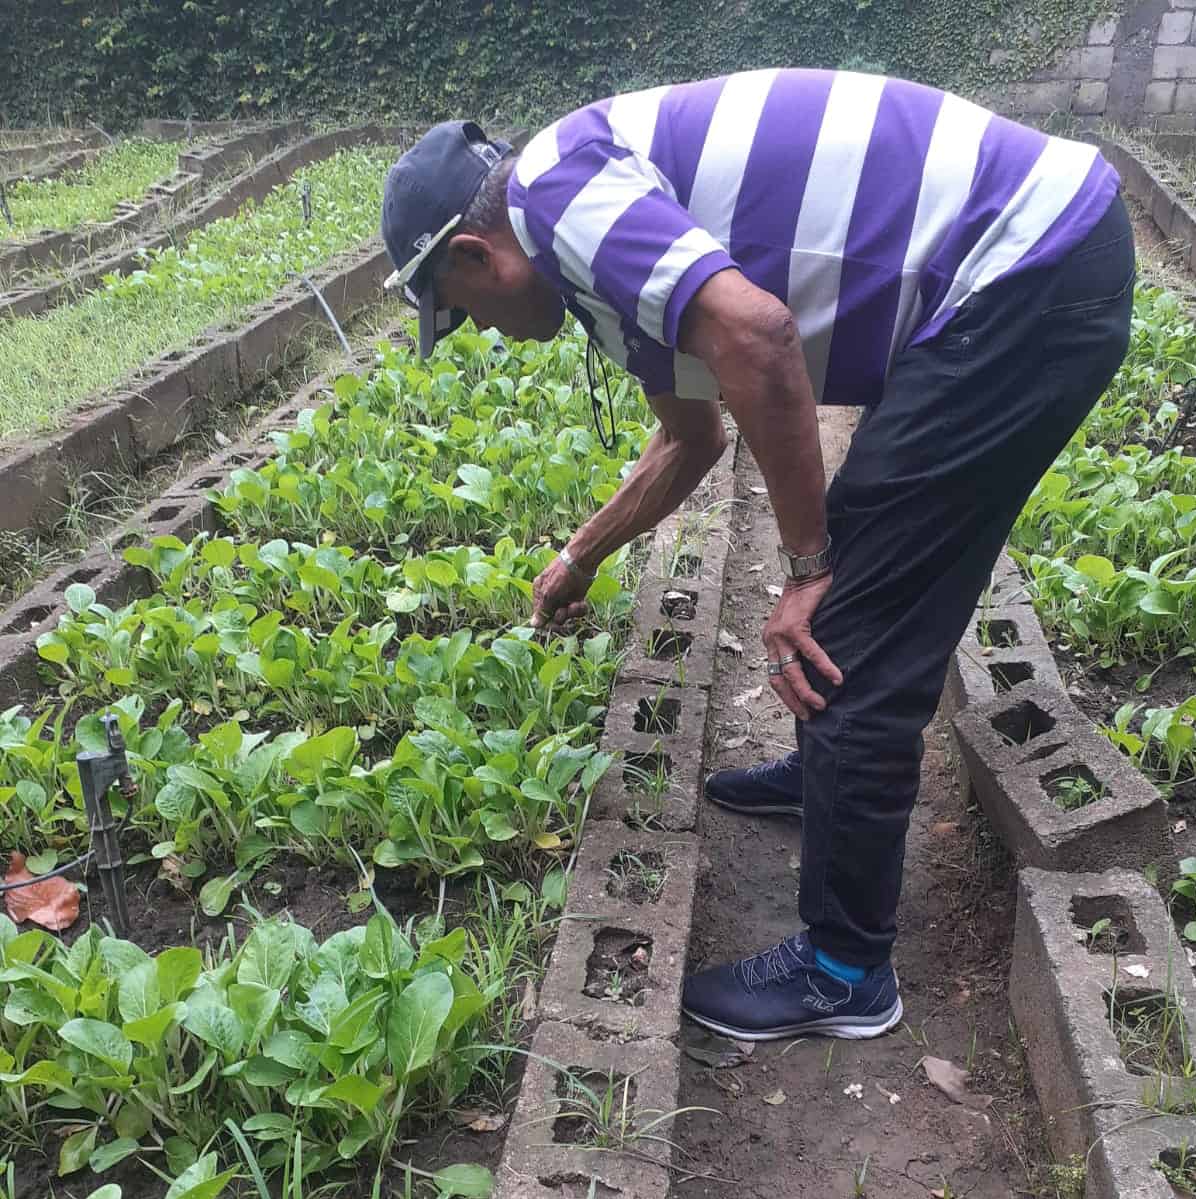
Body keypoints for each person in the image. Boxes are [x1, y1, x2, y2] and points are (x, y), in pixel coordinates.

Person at [380, 69, 1134, 1043]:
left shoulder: (559, 194)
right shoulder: (600, 258)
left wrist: (810, 566)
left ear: (477, 254)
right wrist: (581, 555)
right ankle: (829, 776)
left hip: (1028, 270)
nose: (480, 330)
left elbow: (762, 338)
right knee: (873, 577)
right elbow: (691, 439)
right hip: (1033, 265)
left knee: (851, 622)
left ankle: (845, 972)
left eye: (461, 308)